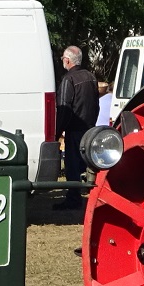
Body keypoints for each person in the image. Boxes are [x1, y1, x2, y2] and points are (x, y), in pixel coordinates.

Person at [54, 45, 99, 210]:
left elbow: (64, 108)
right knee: (85, 165)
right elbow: (96, 105)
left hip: (74, 129)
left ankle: (73, 199)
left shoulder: (68, 80)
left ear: (67, 60)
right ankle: (82, 196)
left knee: (72, 167)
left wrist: (57, 132)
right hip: (89, 128)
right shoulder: (91, 77)